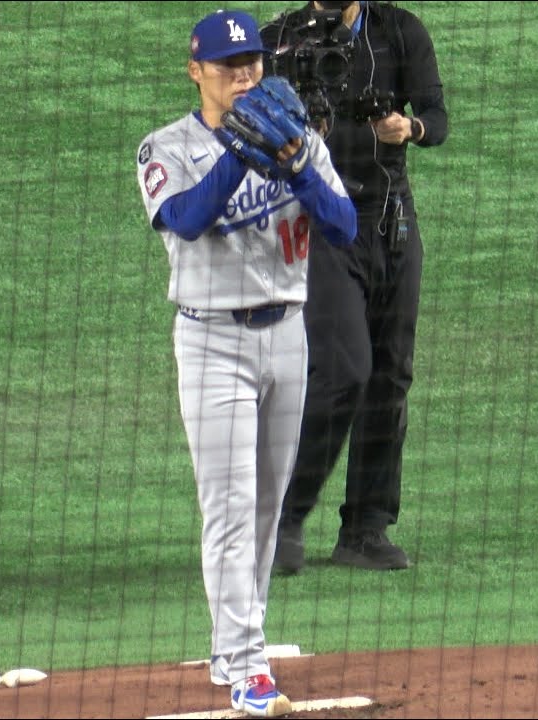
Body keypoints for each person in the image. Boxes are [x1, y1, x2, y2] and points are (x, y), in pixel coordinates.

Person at [135, 8, 355, 717]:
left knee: (266, 504)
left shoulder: (296, 131)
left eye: (253, 64)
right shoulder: (164, 147)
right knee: (229, 508)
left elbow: (343, 226)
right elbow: (190, 221)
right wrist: (240, 153)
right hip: (212, 342)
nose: (244, 77)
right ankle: (248, 664)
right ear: (195, 70)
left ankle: (234, 647)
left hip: (287, 336)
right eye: (229, 67)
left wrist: (295, 161)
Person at [261, 1, 449, 573]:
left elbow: (438, 120)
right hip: (322, 227)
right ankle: (283, 521)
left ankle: (365, 530)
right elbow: (251, 128)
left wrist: (408, 128)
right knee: (344, 371)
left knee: (391, 374)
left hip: (392, 224)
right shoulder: (280, 40)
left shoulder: (400, 30)